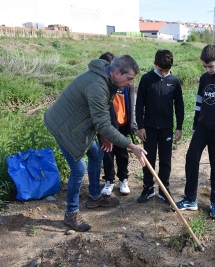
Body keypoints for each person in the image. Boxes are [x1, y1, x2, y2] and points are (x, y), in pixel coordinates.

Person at [44, 54, 147, 232]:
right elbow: (104, 123)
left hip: (77, 124)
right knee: (78, 169)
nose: (130, 83)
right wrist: (131, 146)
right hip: (64, 127)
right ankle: (71, 213)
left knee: (97, 152)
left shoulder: (108, 79)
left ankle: (94, 196)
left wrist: (103, 133)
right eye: (129, 79)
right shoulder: (97, 85)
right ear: (116, 72)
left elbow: (102, 111)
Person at [175, 44, 215, 219]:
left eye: (211, 66)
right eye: (205, 66)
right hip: (202, 128)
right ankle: (190, 199)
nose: (208, 70)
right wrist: (195, 127)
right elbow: (198, 104)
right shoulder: (204, 79)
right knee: (191, 158)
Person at [135, 49, 184, 204]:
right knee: (148, 158)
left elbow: (180, 106)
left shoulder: (174, 81)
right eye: (161, 70)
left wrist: (179, 127)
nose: (163, 73)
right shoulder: (146, 79)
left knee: (165, 159)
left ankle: (164, 190)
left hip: (166, 128)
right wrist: (140, 126)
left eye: (167, 71)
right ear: (155, 64)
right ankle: (148, 188)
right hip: (148, 128)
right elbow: (139, 105)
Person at [98, 52, 136, 196]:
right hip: (106, 126)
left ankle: (123, 179)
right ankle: (109, 181)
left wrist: (132, 123)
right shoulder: (103, 86)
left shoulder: (126, 84)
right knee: (107, 154)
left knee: (122, 154)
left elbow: (132, 103)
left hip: (122, 125)